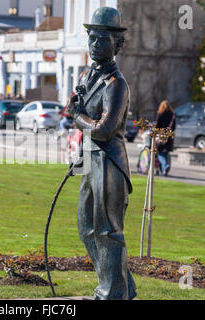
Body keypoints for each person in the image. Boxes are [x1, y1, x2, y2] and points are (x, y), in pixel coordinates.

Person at [67, 6, 136, 300]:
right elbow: (87, 122)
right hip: (90, 161)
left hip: (109, 164)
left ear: (116, 44)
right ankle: (122, 285)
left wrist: (77, 116)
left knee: (107, 231)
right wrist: (80, 155)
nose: (96, 45)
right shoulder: (87, 75)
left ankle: (111, 293)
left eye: (102, 40)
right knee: (86, 228)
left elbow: (105, 129)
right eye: (92, 39)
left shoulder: (116, 84)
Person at [155, 100, 176, 176]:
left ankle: (165, 166)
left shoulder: (160, 114)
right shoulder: (172, 115)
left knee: (159, 152)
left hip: (161, 135)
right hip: (169, 136)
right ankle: (165, 170)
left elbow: (157, 125)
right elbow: (174, 126)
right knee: (166, 153)